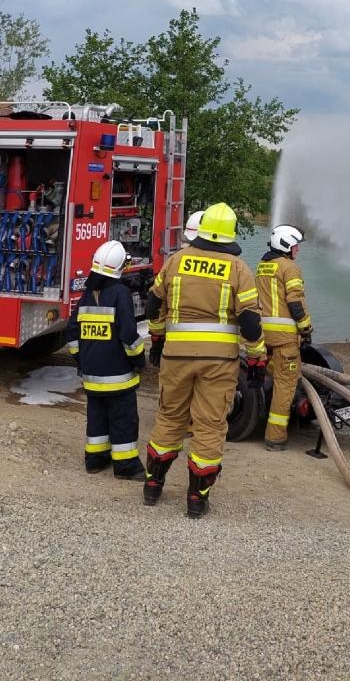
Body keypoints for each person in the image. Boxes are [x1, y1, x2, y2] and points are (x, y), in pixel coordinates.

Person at [142, 201, 265, 517]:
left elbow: (153, 305)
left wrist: (157, 339)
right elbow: (251, 323)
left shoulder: (176, 261)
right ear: (230, 235)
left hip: (176, 356)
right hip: (218, 362)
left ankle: (153, 487)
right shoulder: (239, 269)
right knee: (210, 425)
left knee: (170, 417)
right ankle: (197, 500)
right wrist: (256, 360)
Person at [65, 240, 146, 479]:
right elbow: (128, 334)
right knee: (123, 420)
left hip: (92, 377)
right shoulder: (120, 294)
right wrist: (139, 359)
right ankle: (126, 467)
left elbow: (72, 332)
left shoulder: (87, 295)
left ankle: (95, 460)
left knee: (97, 419)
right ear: (120, 266)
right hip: (119, 377)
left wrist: (81, 359)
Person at [255, 223, 312, 451]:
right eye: (296, 246)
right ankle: (275, 437)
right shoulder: (290, 268)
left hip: (263, 335)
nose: (298, 250)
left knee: (270, 376)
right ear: (286, 245)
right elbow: (295, 302)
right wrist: (306, 329)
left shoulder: (262, 266)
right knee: (285, 384)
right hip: (285, 337)